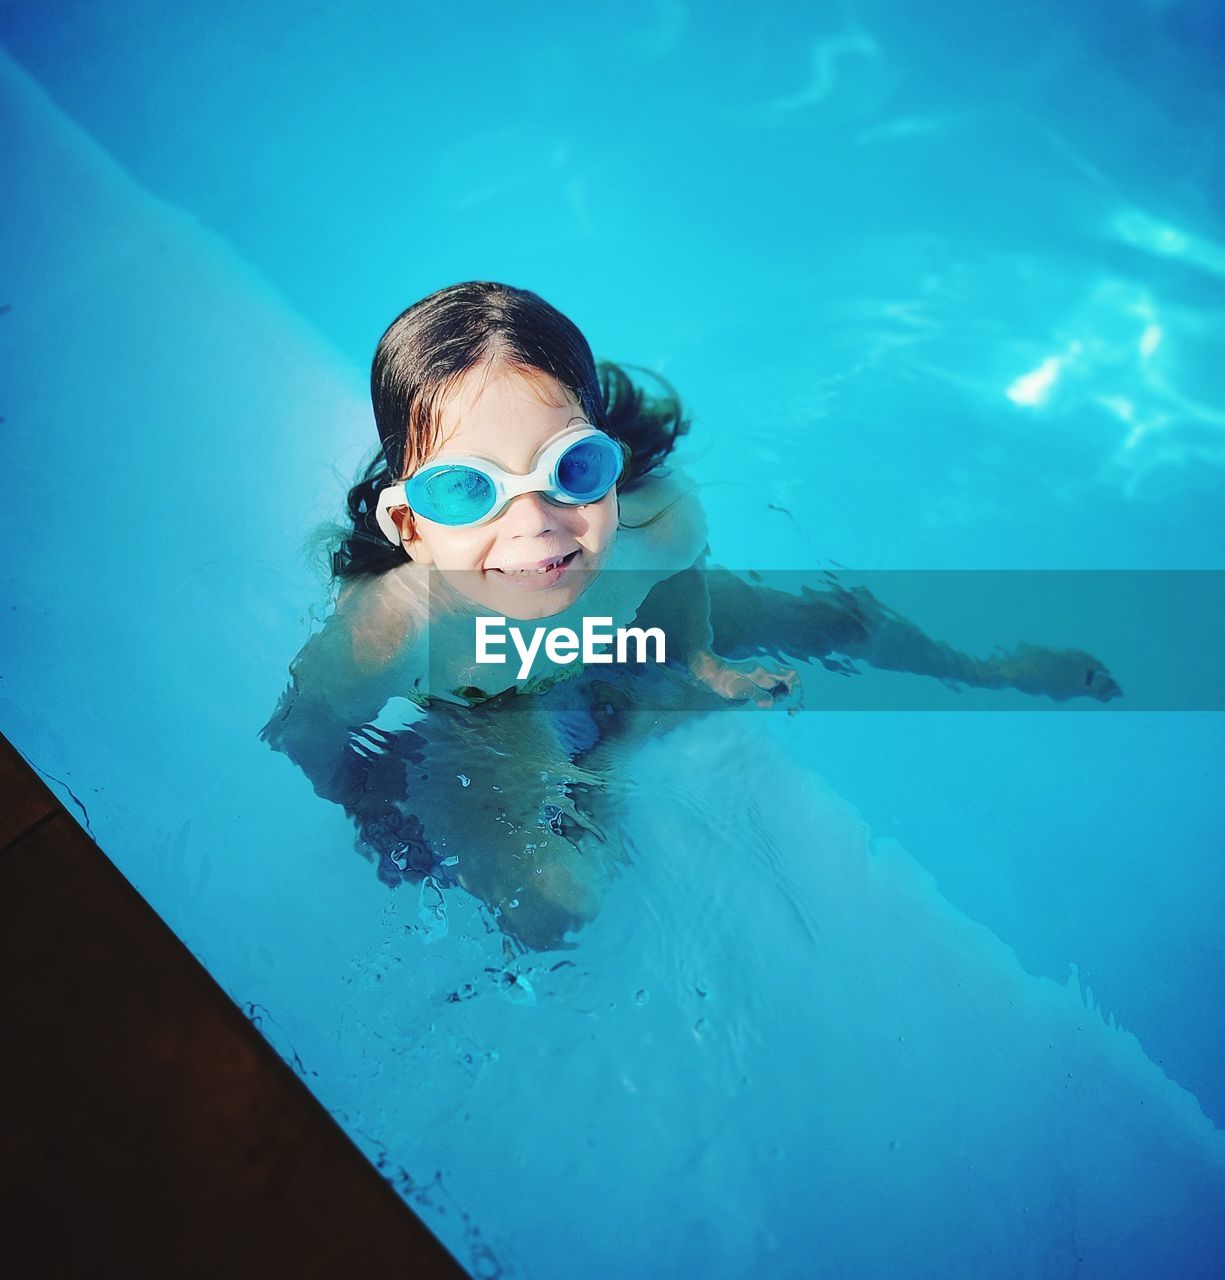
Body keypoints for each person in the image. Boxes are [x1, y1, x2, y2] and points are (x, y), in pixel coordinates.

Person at [261, 280, 1120, 953]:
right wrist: (365, 802)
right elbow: (308, 727)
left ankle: (985, 668)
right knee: (553, 908)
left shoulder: (650, 524)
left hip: (613, 630)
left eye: (571, 467)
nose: (532, 522)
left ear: (612, 462)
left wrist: (699, 659)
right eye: (465, 489)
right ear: (408, 523)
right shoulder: (394, 627)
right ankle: (625, 734)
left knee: (840, 622)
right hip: (496, 705)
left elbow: (675, 582)